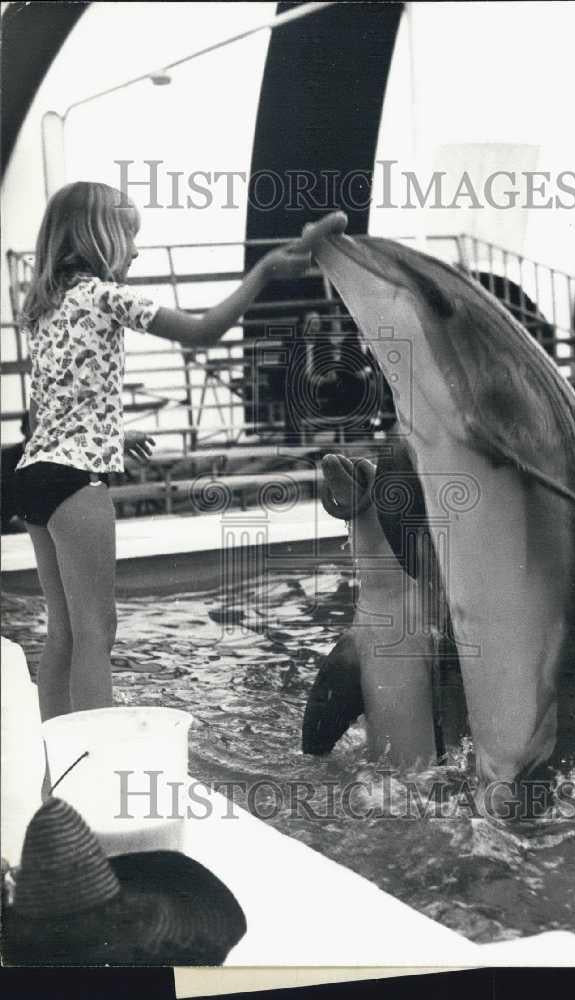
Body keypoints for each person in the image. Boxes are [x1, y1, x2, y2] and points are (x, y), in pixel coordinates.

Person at [15, 181, 336, 721]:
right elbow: (203, 332)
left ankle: (55, 751)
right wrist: (262, 273)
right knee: (99, 631)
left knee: (63, 631)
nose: (136, 251)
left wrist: (109, 438)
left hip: (35, 474)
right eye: (129, 237)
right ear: (99, 237)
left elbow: (52, 405)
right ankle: (95, 755)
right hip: (75, 481)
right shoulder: (105, 295)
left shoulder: (44, 308)